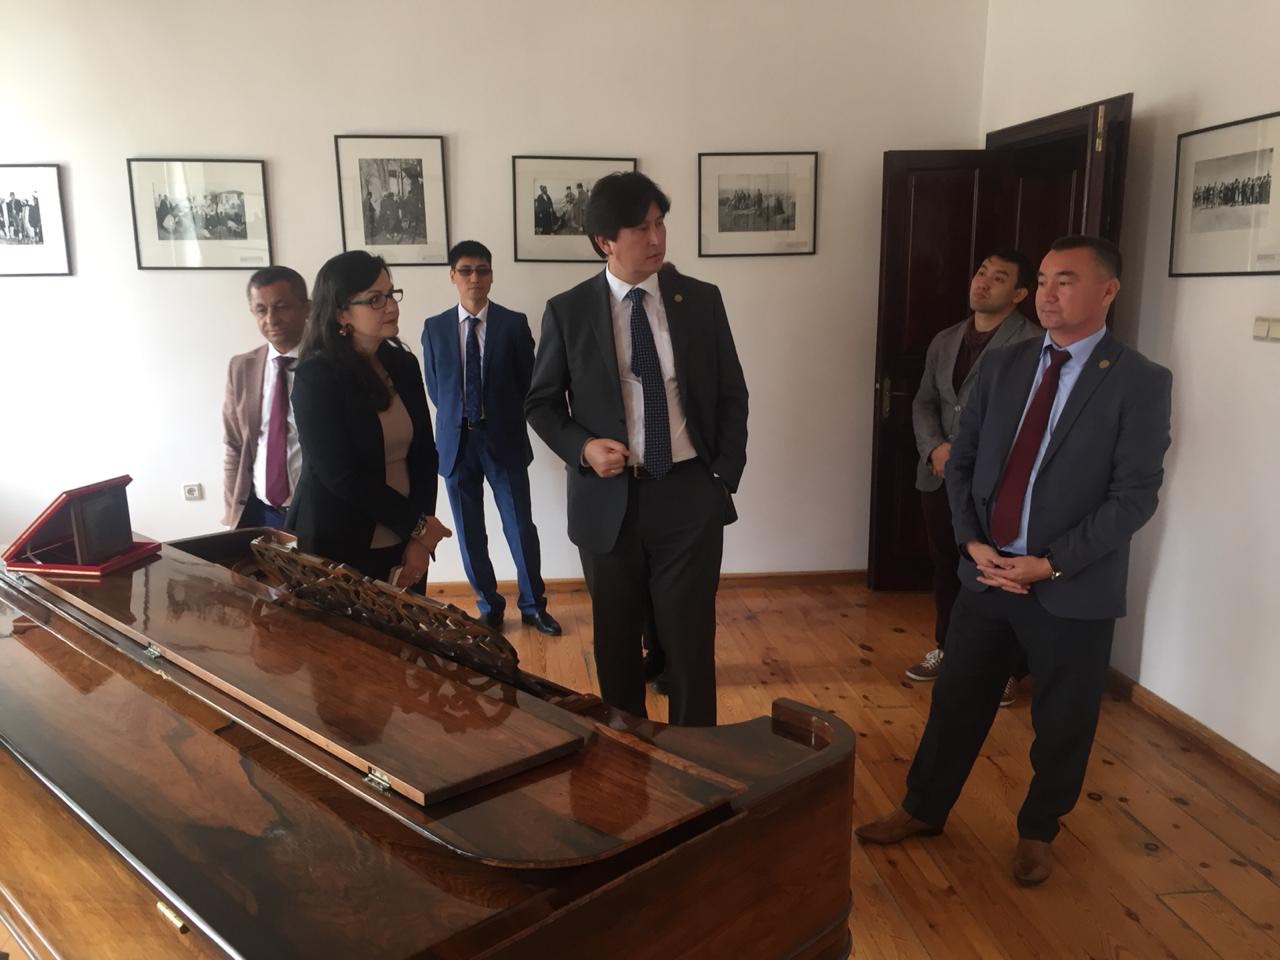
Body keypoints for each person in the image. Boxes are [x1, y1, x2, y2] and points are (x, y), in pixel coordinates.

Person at [855, 236, 1173, 887]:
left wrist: (1050, 563)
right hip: (987, 572)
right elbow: (963, 463)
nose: (1049, 294)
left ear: (1108, 291)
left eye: (1066, 281)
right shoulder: (1005, 366)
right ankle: (923, 808)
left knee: (1063, 719)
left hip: (1070, 585)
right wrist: (971, 543)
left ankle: (1038, 831)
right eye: (1046, 280)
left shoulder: (1139, 381)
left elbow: (1134, 497)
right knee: (956, 701)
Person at [526, 172, 749, 726]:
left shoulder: (699, 300)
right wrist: (583, 448)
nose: (657, 238)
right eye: (641, 228)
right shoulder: (569, 310)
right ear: (605, 241)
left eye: (660, 223)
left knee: (690, 643)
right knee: (617, 642)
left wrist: (722, 475)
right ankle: (624, 753)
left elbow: (732, 392)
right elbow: (542, 404)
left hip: (688, 495)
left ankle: (697, 758)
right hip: (608, 502)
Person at [907, 250, 1040, 708]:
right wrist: (935, 449)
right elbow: (924, 401)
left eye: (998, 278)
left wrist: (969, 460)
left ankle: (1007, 669)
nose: (982, 283)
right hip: (940, 476)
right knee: (948, 567)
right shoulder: (946, 339)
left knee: (999, 574)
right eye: (981, 273)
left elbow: (1028, 421)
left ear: (1019, 294)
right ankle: (948, 648)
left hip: (996, 484)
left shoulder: (1034, 343)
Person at [287, 251, 451, 588]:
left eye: (391, 294)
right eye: (375, 299)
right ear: (340, 313)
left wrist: (420, 539)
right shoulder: (315, 376)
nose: (391, 307)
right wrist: (417, 525)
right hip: (338, 541)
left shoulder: (403, 365)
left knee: (406, 622)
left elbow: (424, 454)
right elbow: (340, 474)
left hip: (405, 538)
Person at [421, 240, 561, 635]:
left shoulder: (513, 324)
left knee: (520, 528)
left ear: (492, 275)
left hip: (503, 441)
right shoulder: (434, 328)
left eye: (482, 270)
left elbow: (528, 384)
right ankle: (489, 605)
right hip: (456, 445)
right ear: (453, 276)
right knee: (470, 533)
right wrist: (461, 418)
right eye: (465, 270)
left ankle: (533, 606)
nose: (474, 278)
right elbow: (436, 388)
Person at [223, 266, 312, 529]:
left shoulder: (331, 363)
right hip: (261, 513)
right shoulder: (242, 367)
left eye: (281, 306)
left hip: (317, 513)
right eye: (261, 310)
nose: (271, 319)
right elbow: (234, 444)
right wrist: (231, 514)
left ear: (306, 308)